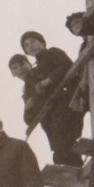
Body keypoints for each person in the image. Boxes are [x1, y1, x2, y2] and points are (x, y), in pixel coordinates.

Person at [17, 32, 83, 167]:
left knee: (63, 148)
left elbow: (66, 66)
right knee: (62, 151)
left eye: (33, 41)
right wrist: (29, 107)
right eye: (27, 45)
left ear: (42, 42)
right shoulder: (32, 74)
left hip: (65, 105)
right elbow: (32, 104)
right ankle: (74, 175)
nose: (31, 46)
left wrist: (48, 80)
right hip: (49, 119)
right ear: (26, 52)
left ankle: (73, 173)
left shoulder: (52, 53)